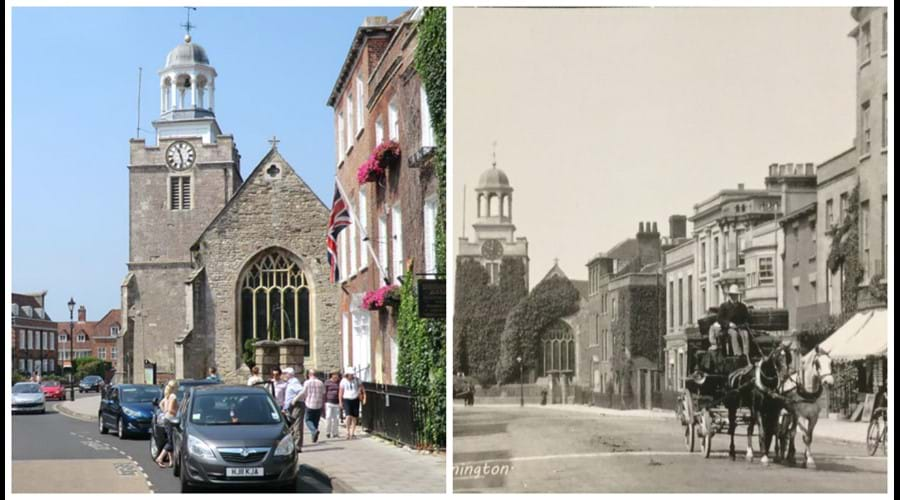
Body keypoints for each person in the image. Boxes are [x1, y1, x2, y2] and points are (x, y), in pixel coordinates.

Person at [718, 284, 751, 364]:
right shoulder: (724, 306)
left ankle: (746, 355)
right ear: (730, 295)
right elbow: (720, 319)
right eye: (732, 295)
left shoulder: (742, 307)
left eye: (735, 295)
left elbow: (746, 319)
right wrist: (729, 324)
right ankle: (737, 355)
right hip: (729, 329)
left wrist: (743, 325)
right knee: (734, 334)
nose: (734, 297)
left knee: (745, 334)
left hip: (740, 327)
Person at [291, 369, 326, 443]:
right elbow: (324, 392)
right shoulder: (320, 383)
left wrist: (295, 399)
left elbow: (303, 392)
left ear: (309, 374)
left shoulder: (307, 382)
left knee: (308, 420)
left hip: (309, 403)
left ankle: (314, 431)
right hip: (318, 404)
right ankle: (314, 435)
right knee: (316, 420)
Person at [156, 379, 179, 468]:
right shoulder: (173, 396)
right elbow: (170, 409)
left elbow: (160, 404)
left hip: (166, 419)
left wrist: (164, 411)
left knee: (170, 439)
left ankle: (171, 461)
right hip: (170, 420)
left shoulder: (167, 396)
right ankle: (160, 458)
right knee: (171, 442)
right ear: (174, 388)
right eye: (177, 387)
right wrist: (176, 411)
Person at [282, 367, 305, 452]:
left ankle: (297, 445)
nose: (283, 375)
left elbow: (302, 391)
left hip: (297, 405)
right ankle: (293, 444)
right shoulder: (290, 382)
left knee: (297, 425)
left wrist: (295, 399)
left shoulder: (294, 382)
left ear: (289, 374)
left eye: (285, 373)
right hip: (291, 406)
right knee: (292, 425)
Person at [339, 367, 365, 440]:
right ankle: (347, 432)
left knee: (354, 417)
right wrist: (340, 402)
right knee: (348, 416)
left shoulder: (357, 380)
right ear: (347, 374)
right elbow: (340, 392)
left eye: (352, 374)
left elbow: (362, 388)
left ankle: (353, 433)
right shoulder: (343, 381)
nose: (351, 375)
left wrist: (362, 394)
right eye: (350, 374)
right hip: (347, 399)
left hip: (355, 399)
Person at [324, 371, 341, 439]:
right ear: (332, 375)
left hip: (336, 402)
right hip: (329, 402)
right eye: (335, 376)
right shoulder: (327, 382)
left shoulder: (339, 383)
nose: (336, 377)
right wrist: (324, 401)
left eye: (337, 376)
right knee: (328, 417)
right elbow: (325, 392)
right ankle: (328, 432)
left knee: (336, 418)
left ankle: (335, 433)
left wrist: (340, 402)